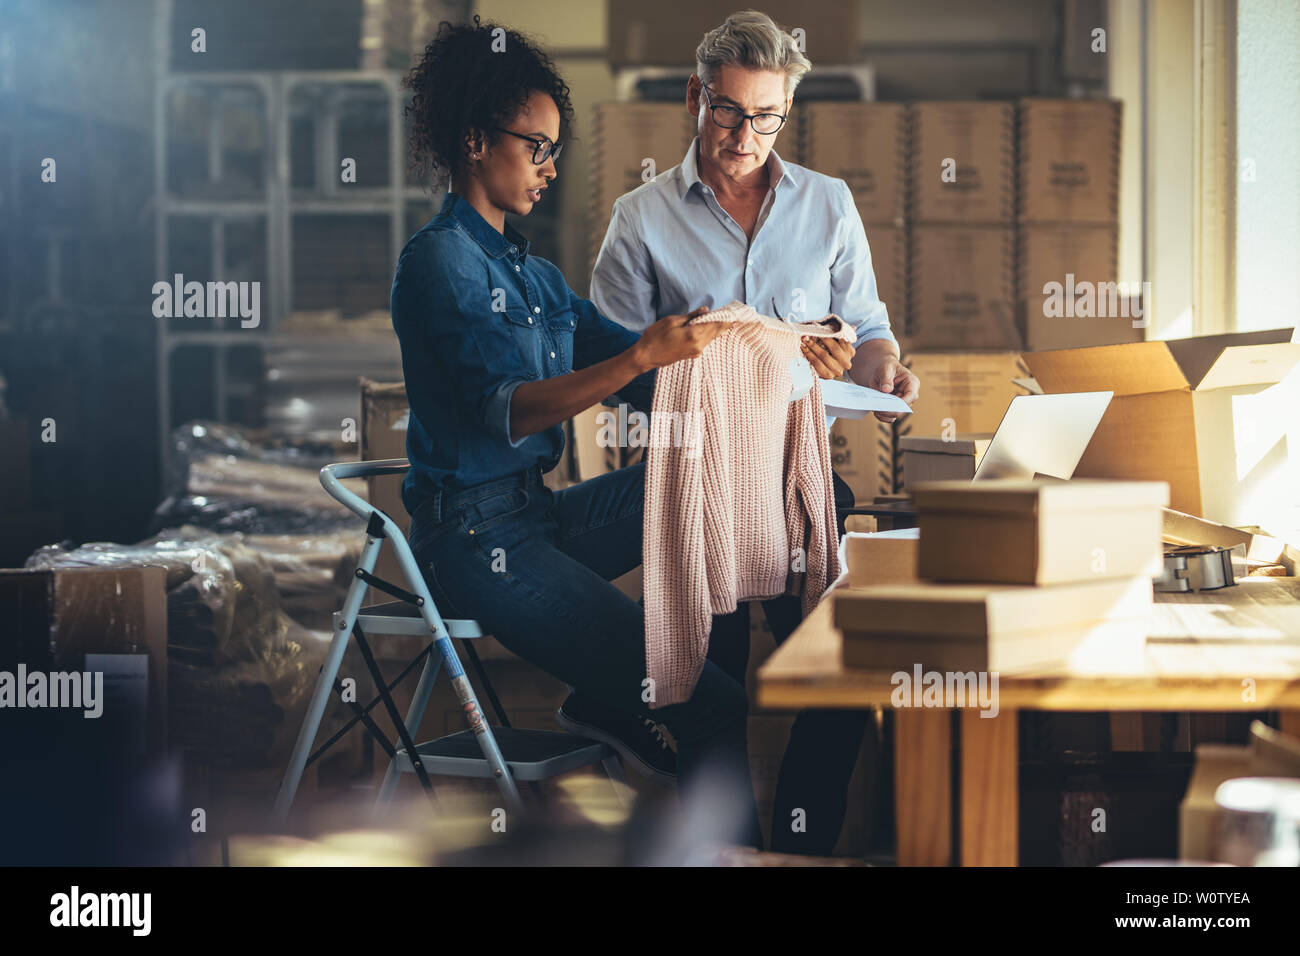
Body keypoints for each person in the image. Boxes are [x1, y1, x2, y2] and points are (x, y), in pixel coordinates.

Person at [392, 17, 763, 848]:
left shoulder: (533, 273)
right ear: (477, 142)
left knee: (722, 480)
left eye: (556, 151)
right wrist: (639, 356)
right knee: (714, 705)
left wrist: (744, 352)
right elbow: (513, 407)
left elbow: (640, 363)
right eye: (538, 147)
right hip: (475, 543)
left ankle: (604, 698)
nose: (550, 169)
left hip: (535, 516)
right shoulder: (440, 262)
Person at [590, 10, 921, 855]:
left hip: (797, 475)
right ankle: (727, 855)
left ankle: (800, 848)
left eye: (767, 117)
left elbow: (871, 331)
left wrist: (878, 367)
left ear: (786, 113)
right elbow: (610, 371)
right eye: (731, 112)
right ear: (697, 98)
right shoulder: (640, 218)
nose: (746, 136)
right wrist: (693, 362)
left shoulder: (828, 205)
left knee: (844, 668)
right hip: (698, 482)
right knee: (713, 696)